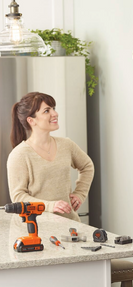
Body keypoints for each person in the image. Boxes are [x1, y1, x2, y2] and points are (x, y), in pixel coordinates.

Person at [7, 92, 94, 222]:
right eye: (47, 111)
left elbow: (87, 166)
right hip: (36, 228)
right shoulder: (19, 155)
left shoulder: (66, 145)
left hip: (69, 224)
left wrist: (80, 194)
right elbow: (18, 197)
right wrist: (50, 206)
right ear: (31, 120)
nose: (55, 114)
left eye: (53, 108)